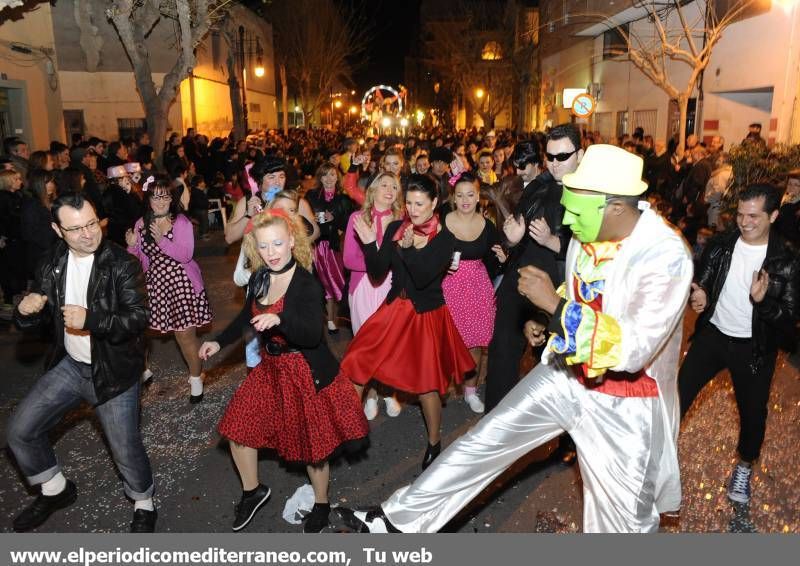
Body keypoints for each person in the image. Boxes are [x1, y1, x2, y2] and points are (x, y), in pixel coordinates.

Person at [334, 144, 693, 534]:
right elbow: (588, 299)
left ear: (615, 208)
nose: (568, 220)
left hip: (623, 401)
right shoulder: (591, 232)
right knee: (484, 440)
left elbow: (632, 348)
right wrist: (544, 321)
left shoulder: (666, 255)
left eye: (575, 210)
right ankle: (398, 520)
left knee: (621, 524)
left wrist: (556, 311)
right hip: (566, 372)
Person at [199, 210, 369, 533]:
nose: (272, 252)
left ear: (292, 241)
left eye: (278, 243)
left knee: (312, 448)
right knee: (238, 429)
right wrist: (218, 343)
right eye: (264, 246)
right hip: (270, 368)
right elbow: (245, 317)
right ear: (255, 249)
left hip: (304, 371)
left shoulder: (306, 283)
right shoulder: (260, 277)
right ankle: (253, 491)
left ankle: (321, 503)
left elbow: (311, 334)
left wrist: (280, 320)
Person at [8, 193, 157, 532]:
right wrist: (25, 311)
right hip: (72, 365)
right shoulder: (52, 262)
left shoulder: (121, 263)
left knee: (125, 449)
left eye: (91, 223)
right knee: (20, 431)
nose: (88, 234)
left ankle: (144, 501)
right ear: (58, 230)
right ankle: (55, 488)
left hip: (115, 372)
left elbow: (137, 319)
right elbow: (40, 315)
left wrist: (92, 319)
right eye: (75, 229)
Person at [340, 174, 475, 470]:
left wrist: (411, 247)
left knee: (426, 386)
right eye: (409, 203)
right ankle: (349, 429)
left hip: (426, 314)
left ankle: (434, 441)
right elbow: (377, 272)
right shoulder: (394, 227)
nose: (412, 210)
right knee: (356, 359)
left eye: (419, 204)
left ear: (434, 203)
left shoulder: (445, 237)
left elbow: (424, 276)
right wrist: (367, 244)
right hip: (393, 308)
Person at [679, 183, 798, 505]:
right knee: (677, 396)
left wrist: (763, 302)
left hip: (753, 348)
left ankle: (744, 468)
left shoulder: (785, 261)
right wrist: (700, 294)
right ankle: (658, 460)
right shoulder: (720, 245)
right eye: (741, 215)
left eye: (754, 217)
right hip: (713, 336)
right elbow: (703, 281)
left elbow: (789, 329)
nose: (745, 223)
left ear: (773, 215)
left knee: (753, 415)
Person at [484, 129, 574, 412]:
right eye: (551, 156)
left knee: (555, 358)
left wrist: (550, 240)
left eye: (563, 156)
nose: (556, 162)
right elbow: (515, 231)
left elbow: (586, 248)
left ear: (579, 155)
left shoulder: (584, 191)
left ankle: (559, 434)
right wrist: (511, 239)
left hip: (557, 283)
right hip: (520, 274)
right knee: (502, 349)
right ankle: (496, 421)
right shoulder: (536, 186)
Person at [126, 176, 213, 402]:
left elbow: (186, 255)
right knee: (141, 331)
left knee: (185, 336)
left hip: (181, 284)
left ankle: (196, 378)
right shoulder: (140, 224)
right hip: (154, 285)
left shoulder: (181, 222)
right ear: (148, 199)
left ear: (171, 198)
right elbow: (137, 261)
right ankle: (143, 369)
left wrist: (162, 239)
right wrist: (132, 246)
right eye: (156, 196)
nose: (161, 201)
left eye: (165, 195)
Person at [441, 172, 506, 413]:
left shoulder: (487, 225)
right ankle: (439, 386)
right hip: (447, 285)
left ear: (479, 197)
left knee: (476, 343)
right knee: (446, 340)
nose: (465, 200)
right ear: (453, 198)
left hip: (478, 286)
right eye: (460, 195)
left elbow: (495, 259)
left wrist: (501, 259)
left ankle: (471, 390)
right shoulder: (442, 220)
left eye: (470, 194)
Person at [342, 172, 404, 420]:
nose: (390, 189)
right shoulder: (358, 218)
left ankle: (388, 392)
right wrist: (378, 257)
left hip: (391, 287)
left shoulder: (401, 220)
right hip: (364, 286)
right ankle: (370, 395)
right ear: (373, 190)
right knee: (367, 345)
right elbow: (349, 259)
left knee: (390, 344)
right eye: (384, 185)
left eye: (395, 186)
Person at [305, 163, 354, 334]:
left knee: (337, 283)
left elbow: (350, 224)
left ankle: (342, 317)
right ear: (320, 177)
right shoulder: (311, 196)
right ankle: (329, 320)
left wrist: (334, 219)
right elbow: (302, 220)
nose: (328, 179)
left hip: (335, 248)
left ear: (337, 177)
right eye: (325, 175)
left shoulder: (344, 199)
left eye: (332, 175)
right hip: (315, 246)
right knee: (322, 285)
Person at [21, 169, 59, 282]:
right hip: (41, 255)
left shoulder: (48, 202)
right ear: (39, 185)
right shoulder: (32, 205)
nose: (52, 185)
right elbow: (29, 233)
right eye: (48, 182)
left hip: (51, 251)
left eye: (52, 182)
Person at [0, 169, 26, 312]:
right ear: (8, 182)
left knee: (17, 267)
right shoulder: (4, 198)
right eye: (16, 179)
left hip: (17, 238)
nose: (20, 182)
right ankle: (9, 300)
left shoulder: (17, 195)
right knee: (8, 270)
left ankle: (17, 295)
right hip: (8, 240)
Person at [103, 165, 144, 247]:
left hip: (114, 232)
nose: (127, 180)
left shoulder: (107, 192)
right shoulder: (120, 193)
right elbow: (135, 211)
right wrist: (130, 194)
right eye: (125, 177)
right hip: (126, 233)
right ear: (119, 179)